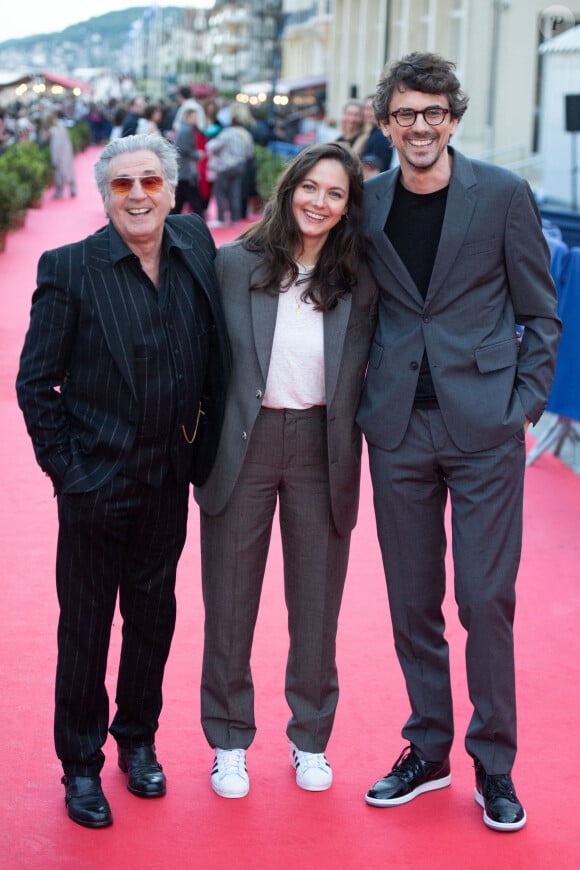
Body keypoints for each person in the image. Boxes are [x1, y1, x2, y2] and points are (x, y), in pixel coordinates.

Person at [356, 52, 561, 832]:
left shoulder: (503, 195)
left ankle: (495, 764)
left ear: (453, 118)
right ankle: (428, 748)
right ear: (386, 122)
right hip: (397, 427)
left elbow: (540, 311)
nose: (419, 126)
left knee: (484, 598)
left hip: (483, 427)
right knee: (413, 602)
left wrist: (521, 404)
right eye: (405, 113)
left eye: (433, 112)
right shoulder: (367, 203)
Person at [16, 133, 231, 829]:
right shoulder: (71, 268)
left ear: (172, 189)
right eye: (122, 185)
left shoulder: (196, 244)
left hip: (170, 473)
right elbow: (34, 383)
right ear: (105, 195)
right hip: (97, 481)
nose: (137, 195)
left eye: (149, 182)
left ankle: (136, 741)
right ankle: (79, 764)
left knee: (152, 618)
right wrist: (69, 473)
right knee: (85, 628)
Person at [195, 142, 377, 798]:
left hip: (322, 444)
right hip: (242, 442)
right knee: (230, 601)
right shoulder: (232, 263)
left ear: (348, 206)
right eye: (310, 188)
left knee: (316, 606)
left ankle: (310, 738)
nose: (319, 203)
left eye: (335, 194)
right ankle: (228, 741)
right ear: (288, 187)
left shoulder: (360, 276)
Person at [205, 104, 255, 227]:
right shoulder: (246, 135)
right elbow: (249, 153)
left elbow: (213, 146)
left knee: (220, 192)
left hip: (225, 166)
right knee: (235, 192)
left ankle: (221, 219)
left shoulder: (227, 133)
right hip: (240, 166)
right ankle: (235, 219)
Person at [171, 108, 205, 216]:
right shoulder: (186, 130)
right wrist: (197, 154)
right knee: (192, 197)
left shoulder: (184, 129)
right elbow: (185, 148)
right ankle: (199, 217)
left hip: (183, 169)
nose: (196, 119)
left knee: (181, 197)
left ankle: (174, 216)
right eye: (194, 117)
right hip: (187, 169)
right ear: (187, 117)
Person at [48, 111, 77, 198]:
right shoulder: (62, 125)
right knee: (69, 171)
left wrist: (55, 158)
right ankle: (72, 189)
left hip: (60, 153)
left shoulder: (53, 130)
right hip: (67, 151)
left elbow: (55, 145)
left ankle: (59, 191)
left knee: (59, 172)